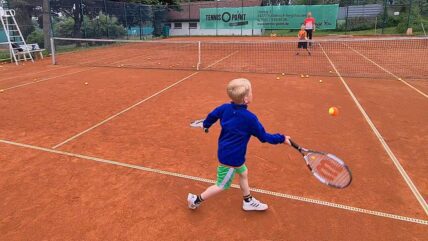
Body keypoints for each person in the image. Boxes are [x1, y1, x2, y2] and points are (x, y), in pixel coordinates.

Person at [187, 78, 290, 211]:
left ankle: (247, 200)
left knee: (243, 173)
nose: (253, 93)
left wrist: (206, 125)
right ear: (246, 99)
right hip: (231, 158)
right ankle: (196, 200)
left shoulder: (225, 108)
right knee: (221, 185)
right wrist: (282, 138)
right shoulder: (249, 118)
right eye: (251, 92)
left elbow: (212, 115)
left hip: (228, 151)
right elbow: (264, 137)